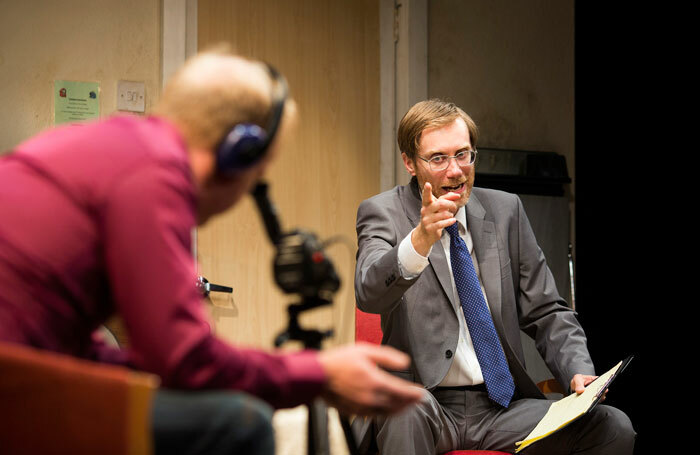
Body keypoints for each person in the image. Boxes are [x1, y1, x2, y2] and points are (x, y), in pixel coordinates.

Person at [0, 47, 424, 454]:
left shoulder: (113, 148)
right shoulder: (154, 175)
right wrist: (319, 372)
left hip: (23, 371)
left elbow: (76, 349)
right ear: (237, 153)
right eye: (256, 178)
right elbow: (186, 361)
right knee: (239, 423)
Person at [353, 99, 635, 454]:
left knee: (612, 427)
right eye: (438, 158)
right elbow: (369, 292)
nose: (455, 171)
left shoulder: (506, 211)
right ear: (410, 163)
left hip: (502, 408)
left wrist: (578, 371)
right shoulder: (383, 212)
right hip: (425, 405)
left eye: (463, 154)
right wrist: (420, 240)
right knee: (403, 409)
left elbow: (547, 310)